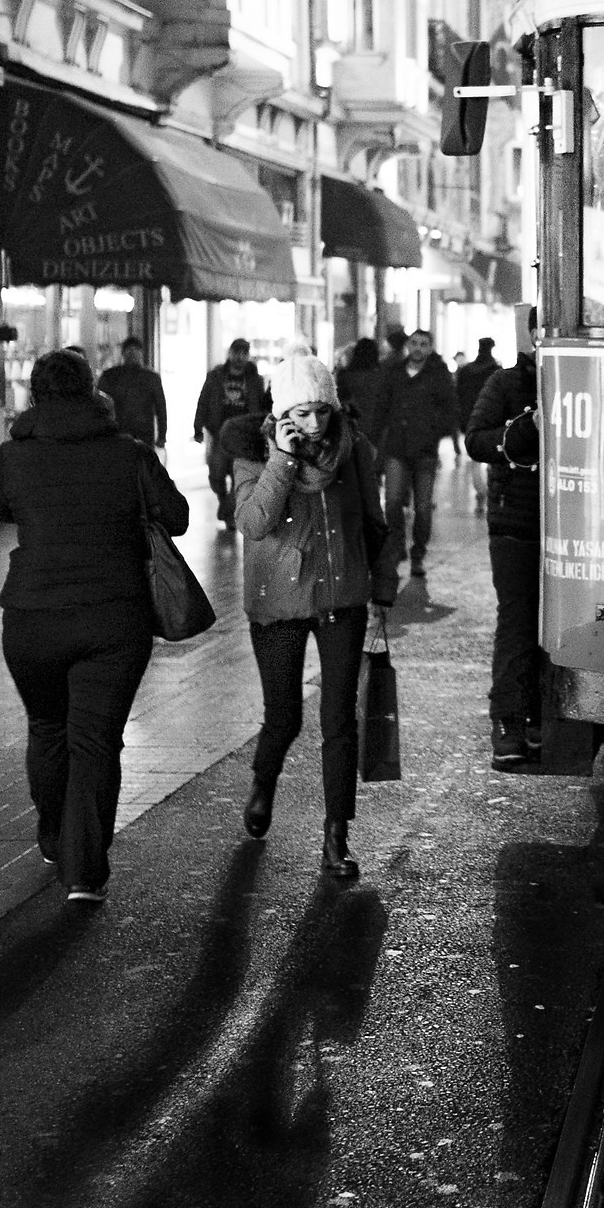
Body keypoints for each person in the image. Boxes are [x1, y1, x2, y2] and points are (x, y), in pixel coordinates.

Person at [0, 349, 188, 903]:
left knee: (48, 727)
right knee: (95, 740)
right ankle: (84, 871)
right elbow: (178, 517)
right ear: (94, 391)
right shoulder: (129, 452)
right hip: (114, 616)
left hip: (32, 618)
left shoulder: (13, 454)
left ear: (34, 394)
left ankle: (53, 835)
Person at [232, 351, 399, 880]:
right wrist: (283, 460)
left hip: (341, 597)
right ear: (281, 413)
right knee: (284, 716)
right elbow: (253, 523)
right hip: (278, 604)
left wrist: (383, 589)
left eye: (321, 411)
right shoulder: (252, 453)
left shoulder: (353, 450)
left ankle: (336, 837)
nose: (313, 423)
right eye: (301, 413)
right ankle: (263, 783)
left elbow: (375, 522)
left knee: (339, 720)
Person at [465, 336, 544, 769]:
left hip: (571, 521)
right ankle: (508, 721)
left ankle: (539, 715)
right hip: (515, 520)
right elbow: (476, 441)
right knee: (517, 621)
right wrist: (527, 427)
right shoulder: (504, 382)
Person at [374, 328, 460, 582]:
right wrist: (375, 439)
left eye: (423, 344)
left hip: (425, 450)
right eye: (414, 343)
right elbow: (381, 407)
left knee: (423, 507)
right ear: (407, 346)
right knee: (392, 502)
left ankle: (418, 552)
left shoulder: (438, 375)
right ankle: (397, 543)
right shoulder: (394, 373)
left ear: (430, 348)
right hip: (397, 447)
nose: (418, 348)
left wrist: (434, 430)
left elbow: (450, 408)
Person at [193, 340, 270, 529]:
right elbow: (203, 401)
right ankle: (223, 500)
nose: (240, 357)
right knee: (216, 474)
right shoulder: (216, 376)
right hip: (219, 433)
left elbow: (261, 407)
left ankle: (229, 513)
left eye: (244, 353)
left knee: (239, 477)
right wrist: (197, 427)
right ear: (230, 353)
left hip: (244, 435)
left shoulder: (255, 380)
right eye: (237, 352)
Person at [96, 336, 168, 449]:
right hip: (134, 431)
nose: (133, 354)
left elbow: (160, 407)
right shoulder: (151, 377)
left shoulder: (110, 375)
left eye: (136, 350)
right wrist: (162, 436)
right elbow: (160, 407)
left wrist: (162, 435)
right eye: (130, 350)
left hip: (125, 431)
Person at [455, 338, 500, 515]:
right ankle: (488, 492)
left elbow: (458, 395)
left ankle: (480, 493)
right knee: (491, 459)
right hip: (491, 419)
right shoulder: (496, 371)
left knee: (475, 459)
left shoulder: (466, 371)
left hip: (471, 419)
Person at [335, 337, 386, 434]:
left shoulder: (346, 376)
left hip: (353, 423)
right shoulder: (383, 376)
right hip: (376, 424)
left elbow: (339, 400)